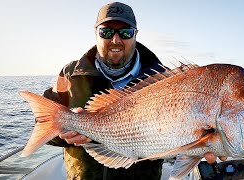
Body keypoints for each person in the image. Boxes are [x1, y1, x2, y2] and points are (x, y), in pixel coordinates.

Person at [42, 2, 226, 180]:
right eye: (106, 32)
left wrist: (197, 147)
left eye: (125, 32)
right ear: (95, 33)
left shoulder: (165, 79)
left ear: (135, 34)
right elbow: (44, 123)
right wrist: (64, 133)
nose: (115, 40)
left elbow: (174, 137)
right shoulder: (70, 74)